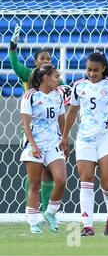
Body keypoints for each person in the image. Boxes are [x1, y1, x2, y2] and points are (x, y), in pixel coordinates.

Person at [60, 52, 108, 236]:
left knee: (107, 183)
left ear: (103, 68)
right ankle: (87, 226)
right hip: (85, 139)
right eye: (89, 70)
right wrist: (64, 137)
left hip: (106, 137)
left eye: (95, 70)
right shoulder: (79, 86)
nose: (92, 74)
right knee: (86, 180)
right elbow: (72, 112)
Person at [9, 23, 63, 213]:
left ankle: (49, 211)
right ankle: (31, 211)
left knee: (50, 172)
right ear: (35, 62)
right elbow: (14, 64)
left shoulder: (57, 81)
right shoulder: (28, 75)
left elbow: (65, 97)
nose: (46, 60)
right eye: (42, 58)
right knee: (35, 173)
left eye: (48, 58)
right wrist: (13, 48)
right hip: (33, 130)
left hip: (51, 131)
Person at [20, 64, 68, 233]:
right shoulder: (30, 96)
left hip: (53, 144)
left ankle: (50, 213)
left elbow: (62, 120)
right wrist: (33, 145)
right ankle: (33, 222)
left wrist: (65, 139)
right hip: (35, 145)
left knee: (61, 181)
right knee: (34, 184)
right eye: (56, 77)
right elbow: (25, 124)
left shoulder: (58, 96)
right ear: (46, 78)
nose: (59, 80)